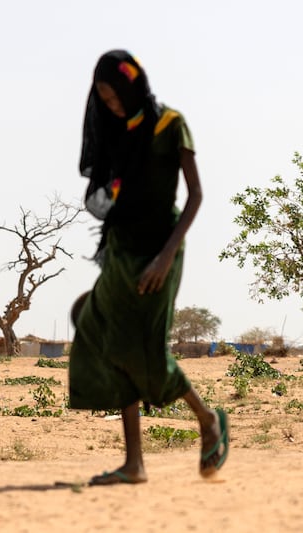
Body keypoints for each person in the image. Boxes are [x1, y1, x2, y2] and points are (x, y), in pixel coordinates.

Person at [68, 49, 229, 486]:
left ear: (131, 84)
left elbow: (195, 196)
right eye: (102, 98)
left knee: (148, 351)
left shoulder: (169, 124)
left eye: (114, 94)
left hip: (161, 248)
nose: (110, 104)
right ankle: (135, 463)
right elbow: (114, 195)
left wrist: (165, 256)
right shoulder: (121, 133)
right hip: (122, 251)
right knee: (100, 330)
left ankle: (208, 419)